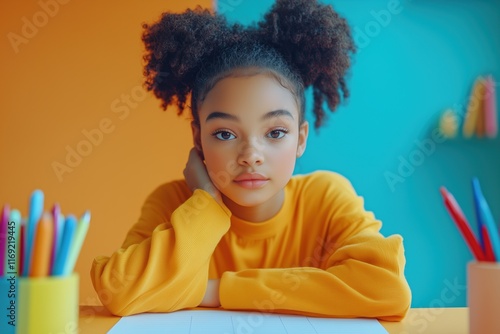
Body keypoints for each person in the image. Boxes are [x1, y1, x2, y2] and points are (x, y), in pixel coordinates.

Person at [91, 0, 411, 321]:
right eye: (225, 134)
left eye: (275, 132)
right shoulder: (173, 203)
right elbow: (117, 290)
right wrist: (205, 207)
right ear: (197, 138)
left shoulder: (326, 198)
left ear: (300, 138)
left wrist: (215, 291)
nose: (250, 156)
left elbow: (387, 289)